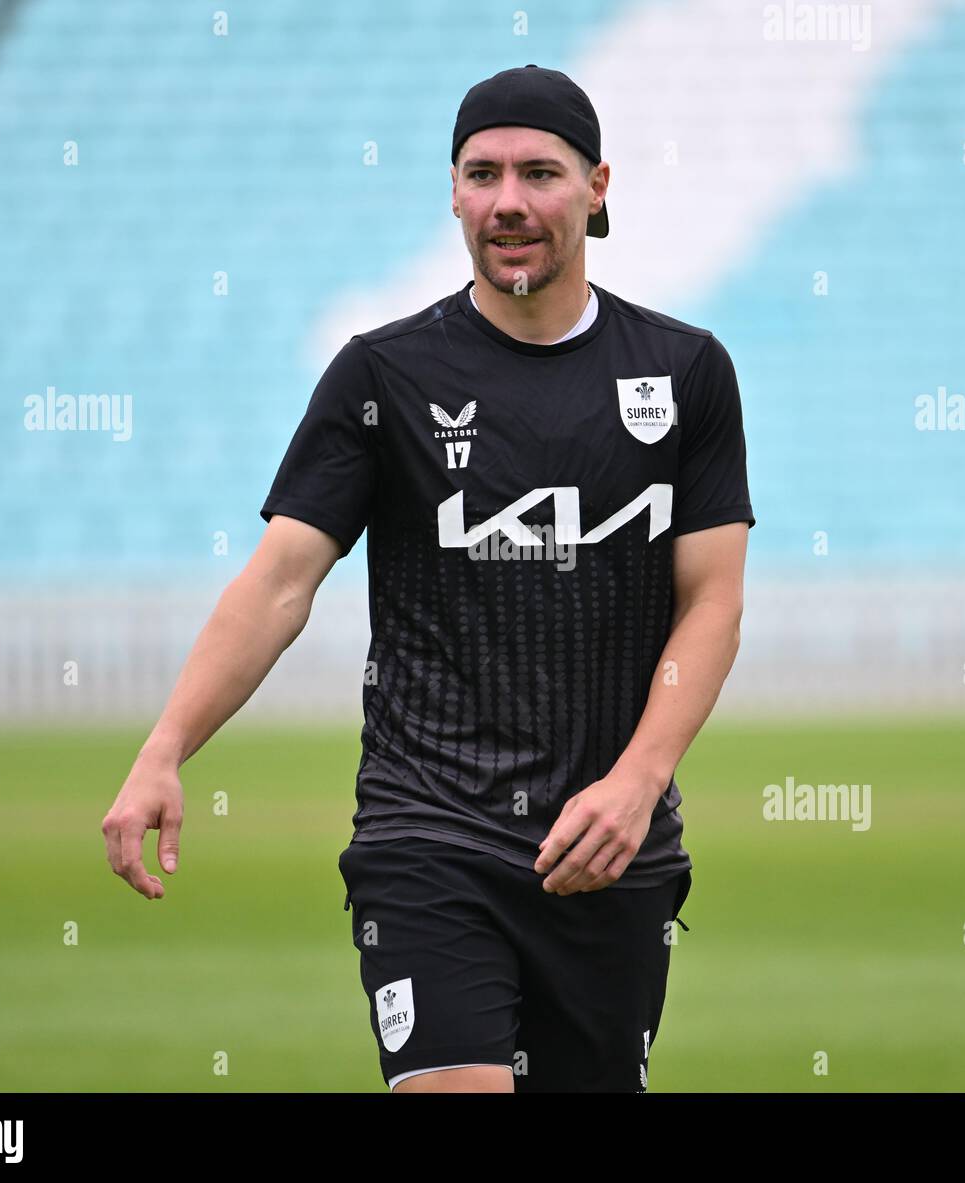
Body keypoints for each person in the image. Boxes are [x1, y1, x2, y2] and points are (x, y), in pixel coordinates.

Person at [102, 64, 754, 1093]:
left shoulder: (684, 373)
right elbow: (279, 582)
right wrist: (165, 747)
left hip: (608, 843)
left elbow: (711, 601)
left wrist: (637, 781)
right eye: (481, 172)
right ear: (452, 192)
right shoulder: (384, 376)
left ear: (597, 187)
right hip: (428, 830)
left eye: (540, 172)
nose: (508, 201)